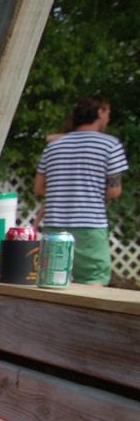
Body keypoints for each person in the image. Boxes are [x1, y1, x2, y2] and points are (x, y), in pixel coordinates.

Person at [34, 95, 129, 286]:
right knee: (94, 281)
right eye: (108, 113)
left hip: (54, 224)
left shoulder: (53, 147)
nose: (108, 118)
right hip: (89, 226)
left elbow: (39, 188)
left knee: (53, 281)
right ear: (100, 112)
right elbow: (114, 191)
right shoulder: (111, 145)